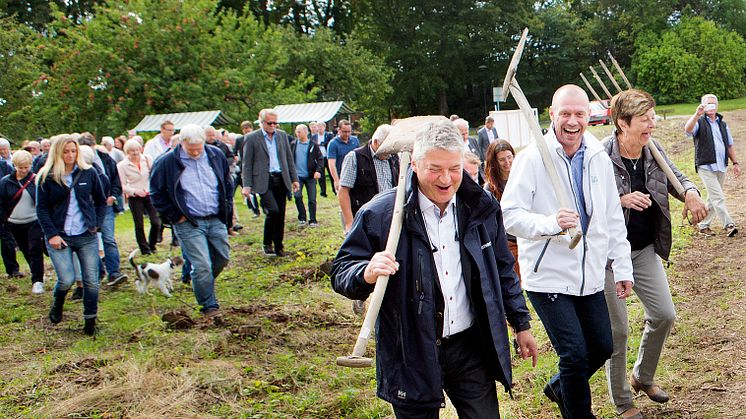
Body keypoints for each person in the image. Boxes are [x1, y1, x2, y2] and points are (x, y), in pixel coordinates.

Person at [332, 119, 537, 417]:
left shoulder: (480, 207)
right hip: (411, 349)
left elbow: (503, 268)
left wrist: (521, 323)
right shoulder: (382, 214)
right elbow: (341, 271)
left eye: (454, 169)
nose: (446, 179)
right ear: (414, 164)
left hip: (470, 345)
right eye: (435, 169)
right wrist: (366, 271)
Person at [501, 84, 634, 418]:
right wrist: (549, 222)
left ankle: (561, 387)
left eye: (579, 114)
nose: (572, 121)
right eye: (565, 114)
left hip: (588, 275)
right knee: (574, 354)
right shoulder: (533, 158)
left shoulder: (597, 157)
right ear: (551, 115)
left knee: (603, 346)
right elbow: (508, 215)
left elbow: (611, 217)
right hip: (548, 277)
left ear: (589, 116)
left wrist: (623, 267)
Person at [602, 89, 708, 418]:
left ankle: (642, 377)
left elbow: (676, 177)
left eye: (652, 116)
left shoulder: (652, 149)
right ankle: (622, 402)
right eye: (645, 118)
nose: (652, 123)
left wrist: (690, 193)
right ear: (622, 123)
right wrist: (620, 200)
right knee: (618, 330)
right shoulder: (600, 155)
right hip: (608, 256)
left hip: (644, 248)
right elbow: (585, 203)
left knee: (664, 314)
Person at [150, 124, 233, 317]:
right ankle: (208, 305)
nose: (196, 152)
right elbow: (156, 193)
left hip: (215, 217)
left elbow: (226, 183)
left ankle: (202, 283)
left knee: (222, 258)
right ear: (182, 143)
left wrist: (227, 207)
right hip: (188, 221)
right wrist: (174, 215)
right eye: (191, 149)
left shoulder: (214, 155)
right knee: (202, 265)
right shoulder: (167, 162)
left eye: (199, 148)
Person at [36, 135, 107, 336]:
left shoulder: (88, 172)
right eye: (66, 151)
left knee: (91, 280)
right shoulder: (47, 176)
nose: (70, 155)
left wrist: (96, 224)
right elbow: (41, 209)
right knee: (66, 279)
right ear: (58, 153)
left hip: (85, 234)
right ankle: (58, 303)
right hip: (60, 235)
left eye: (73, 151)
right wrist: (51, 234)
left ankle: (90, 319)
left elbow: (101, 201)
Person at [241, 109, 300, 257]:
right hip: (263, 180)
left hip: (281, 178)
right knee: (272, 211)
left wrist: (294, 179)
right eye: (270, 123)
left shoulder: (281, 136)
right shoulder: (252, 138)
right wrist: (246, 185)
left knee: (280, 214)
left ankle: (279, 246)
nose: (273, 125)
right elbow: (247, 163)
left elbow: (288, 159)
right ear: (261, 122)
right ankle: (267, 242)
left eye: (275, 122)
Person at [684, 94, 741, 237]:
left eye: (713, 104)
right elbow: (688, 129)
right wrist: (697, 114)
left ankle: (703, 225)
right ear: (703, 105)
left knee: (713, 198)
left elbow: (729, 145)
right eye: (708, 104)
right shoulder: (700, 122)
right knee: (718, 197)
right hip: (705, 166)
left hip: (721, 165)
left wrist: (735, 162)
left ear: (717, 106)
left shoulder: (722, 124)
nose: (711, 106)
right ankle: (728, 225)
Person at [78, 133, 127, 287]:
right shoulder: (77, 163)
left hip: (105, 204)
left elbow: (115, 179)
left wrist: (113, 195)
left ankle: (114, 272)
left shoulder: (105, 159)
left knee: (108, 239)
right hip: (87, 207)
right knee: (91, 240)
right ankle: (98, 272)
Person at [338, 124, 399, 234]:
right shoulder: (354, 157)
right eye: (386, 149)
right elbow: (343, 191)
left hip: (389, 217)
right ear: (375, 142)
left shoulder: (394, 158)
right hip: (364, 217)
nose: (389, 153)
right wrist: (349, 222)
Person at [0, 150, 45, 294]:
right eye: (21, 167)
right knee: (25, 250)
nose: (24, 170)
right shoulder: (6, 182)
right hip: (14, 223)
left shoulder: (36, 180)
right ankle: (35, 271)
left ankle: (38, 281)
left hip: (33, 220)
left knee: (35, 249)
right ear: (14, 166)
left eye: (27, 167)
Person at [118, 139, 161, 255]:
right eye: (132, 151)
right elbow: (121, 185)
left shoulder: (147, 159)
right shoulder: (122, 165)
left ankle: (152, 244)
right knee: (139, 223)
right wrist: (134, 191)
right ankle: (144, 248)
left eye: (137, 150)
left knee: (156, 222)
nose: (136, 153)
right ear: (127, 152)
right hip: (135, 196)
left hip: (149, 194)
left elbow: (154, 175)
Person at [484, 140, 519, 278]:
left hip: (526, 238)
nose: (507, 162)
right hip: (508, 242)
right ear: (495, 162)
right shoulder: (490, 189)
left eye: (510, 157)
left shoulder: (520, 178)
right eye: (502, 159)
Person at [290, 124, 324, 227]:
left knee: (312, 199)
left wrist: (318, 170)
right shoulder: (293, 144)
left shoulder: (313, 145)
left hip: (310, 176)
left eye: (299, 131)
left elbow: (320, 159)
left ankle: (313, 220)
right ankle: (302, 218)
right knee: (297, 196)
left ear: (306, 132)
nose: (297, 133)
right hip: (297, 177)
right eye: (296, 131)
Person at [326, 119, 360, 194]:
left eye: (349, 132)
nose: (347, 134)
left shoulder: (355, 140)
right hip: (342, 175)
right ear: (339, 130)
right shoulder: (333, 144)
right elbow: (331, 164)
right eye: (345, 132)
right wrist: (336, 180)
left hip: (355, 175)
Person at [312, 121, 335, 197]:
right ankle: (323, 192)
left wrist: (323, 144)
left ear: (324, 127)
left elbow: (331, 143)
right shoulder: (314, 137)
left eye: (321, 127)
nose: (319, 129)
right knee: (321, 176)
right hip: (319, 158)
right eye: (318, 127)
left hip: (328, 157)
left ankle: (334, 189)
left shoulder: (329, 135)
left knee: (332, 174)